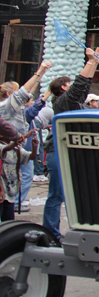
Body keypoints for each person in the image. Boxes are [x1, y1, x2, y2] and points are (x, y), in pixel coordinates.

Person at [43, 47, 99, 240]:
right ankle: (51, 233)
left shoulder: (75, 103)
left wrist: (94, 63)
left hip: (71, 152)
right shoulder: (62, 102)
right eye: (68, 83)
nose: (72, 85)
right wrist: (89, 62)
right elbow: (79, 86)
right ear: (63, 87)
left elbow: (84, 87)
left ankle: (76, 230)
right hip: (58, 152)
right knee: (56, 195)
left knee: (73, 195)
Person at [0, 61, 52, 213]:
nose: (27, 97)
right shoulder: (6, 108)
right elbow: (24, 92)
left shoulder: (18, 112)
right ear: (10, 95)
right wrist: (40, 71)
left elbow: (27, 94)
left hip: (13, 163)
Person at [1, 131, 38, 221]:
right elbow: (5, 148)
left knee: (9, 220)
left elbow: (30, 157)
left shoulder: (16, 149)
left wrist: (34, 148)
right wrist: (19, 140)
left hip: (11, 190)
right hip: (1, 188)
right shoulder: (5, 146)